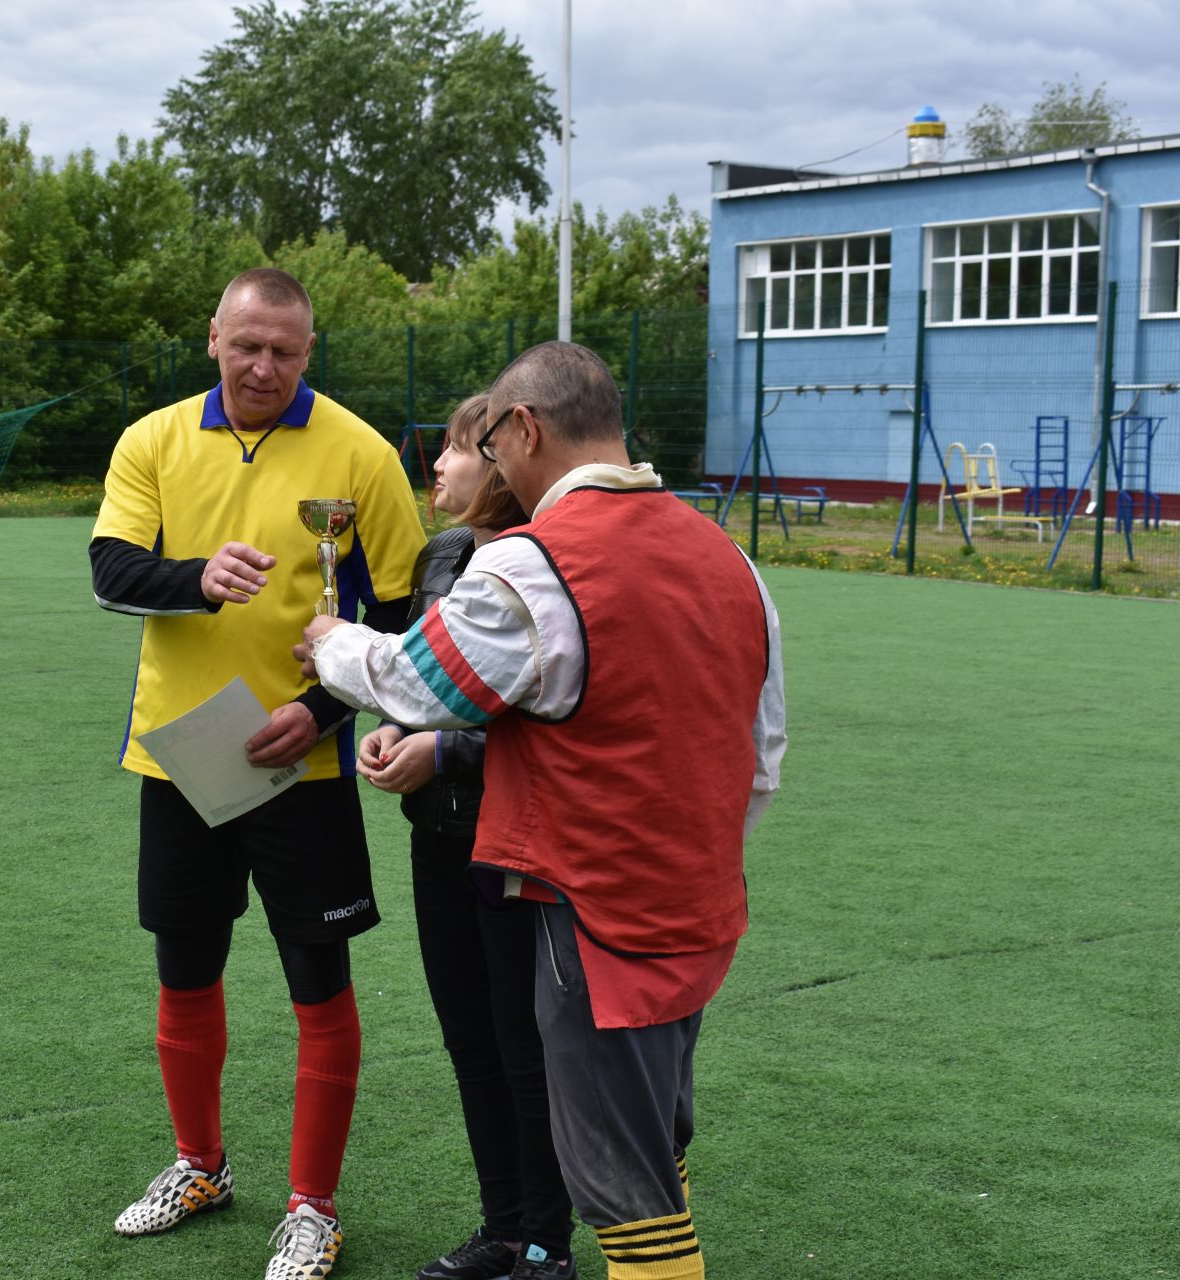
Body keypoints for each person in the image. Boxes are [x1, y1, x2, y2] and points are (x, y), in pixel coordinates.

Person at [298, 342, 787, 1280]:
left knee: (628, 1201)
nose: (482, 460)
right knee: (653, 1152)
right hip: (698, 907)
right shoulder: (726, 554)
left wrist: (329, 641)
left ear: (522, 429)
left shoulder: (535, 564)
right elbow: (763, 755)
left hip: (592, 914)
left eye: (485, 438)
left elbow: (414, 680)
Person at [88, 267, 425, 1280]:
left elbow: (400, 618)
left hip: (305, 765)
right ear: (213, 339)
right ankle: (199, 1163)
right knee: (184, 966)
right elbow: (111, 571)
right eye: (246, 345)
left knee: (317, 980)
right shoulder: (151, 440)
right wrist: (196, 578)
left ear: (309, 350)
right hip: (181, 756)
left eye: (283, 348)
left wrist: (321, 708)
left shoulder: (361, 453)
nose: (263, 364)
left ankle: (313, 1207)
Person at [357, 394, 579, 1280]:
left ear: (504, 459)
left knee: (526, 1048)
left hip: (514, 844)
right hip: (437, 841)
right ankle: (501, 1228)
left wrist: (443, 752)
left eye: (455, 449)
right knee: (468, 1039)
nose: (439, 466)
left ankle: (545, 1247)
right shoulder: (444, 553)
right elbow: (425, 678)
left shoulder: (547, 564)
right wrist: (390, 728)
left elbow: (556, 727)